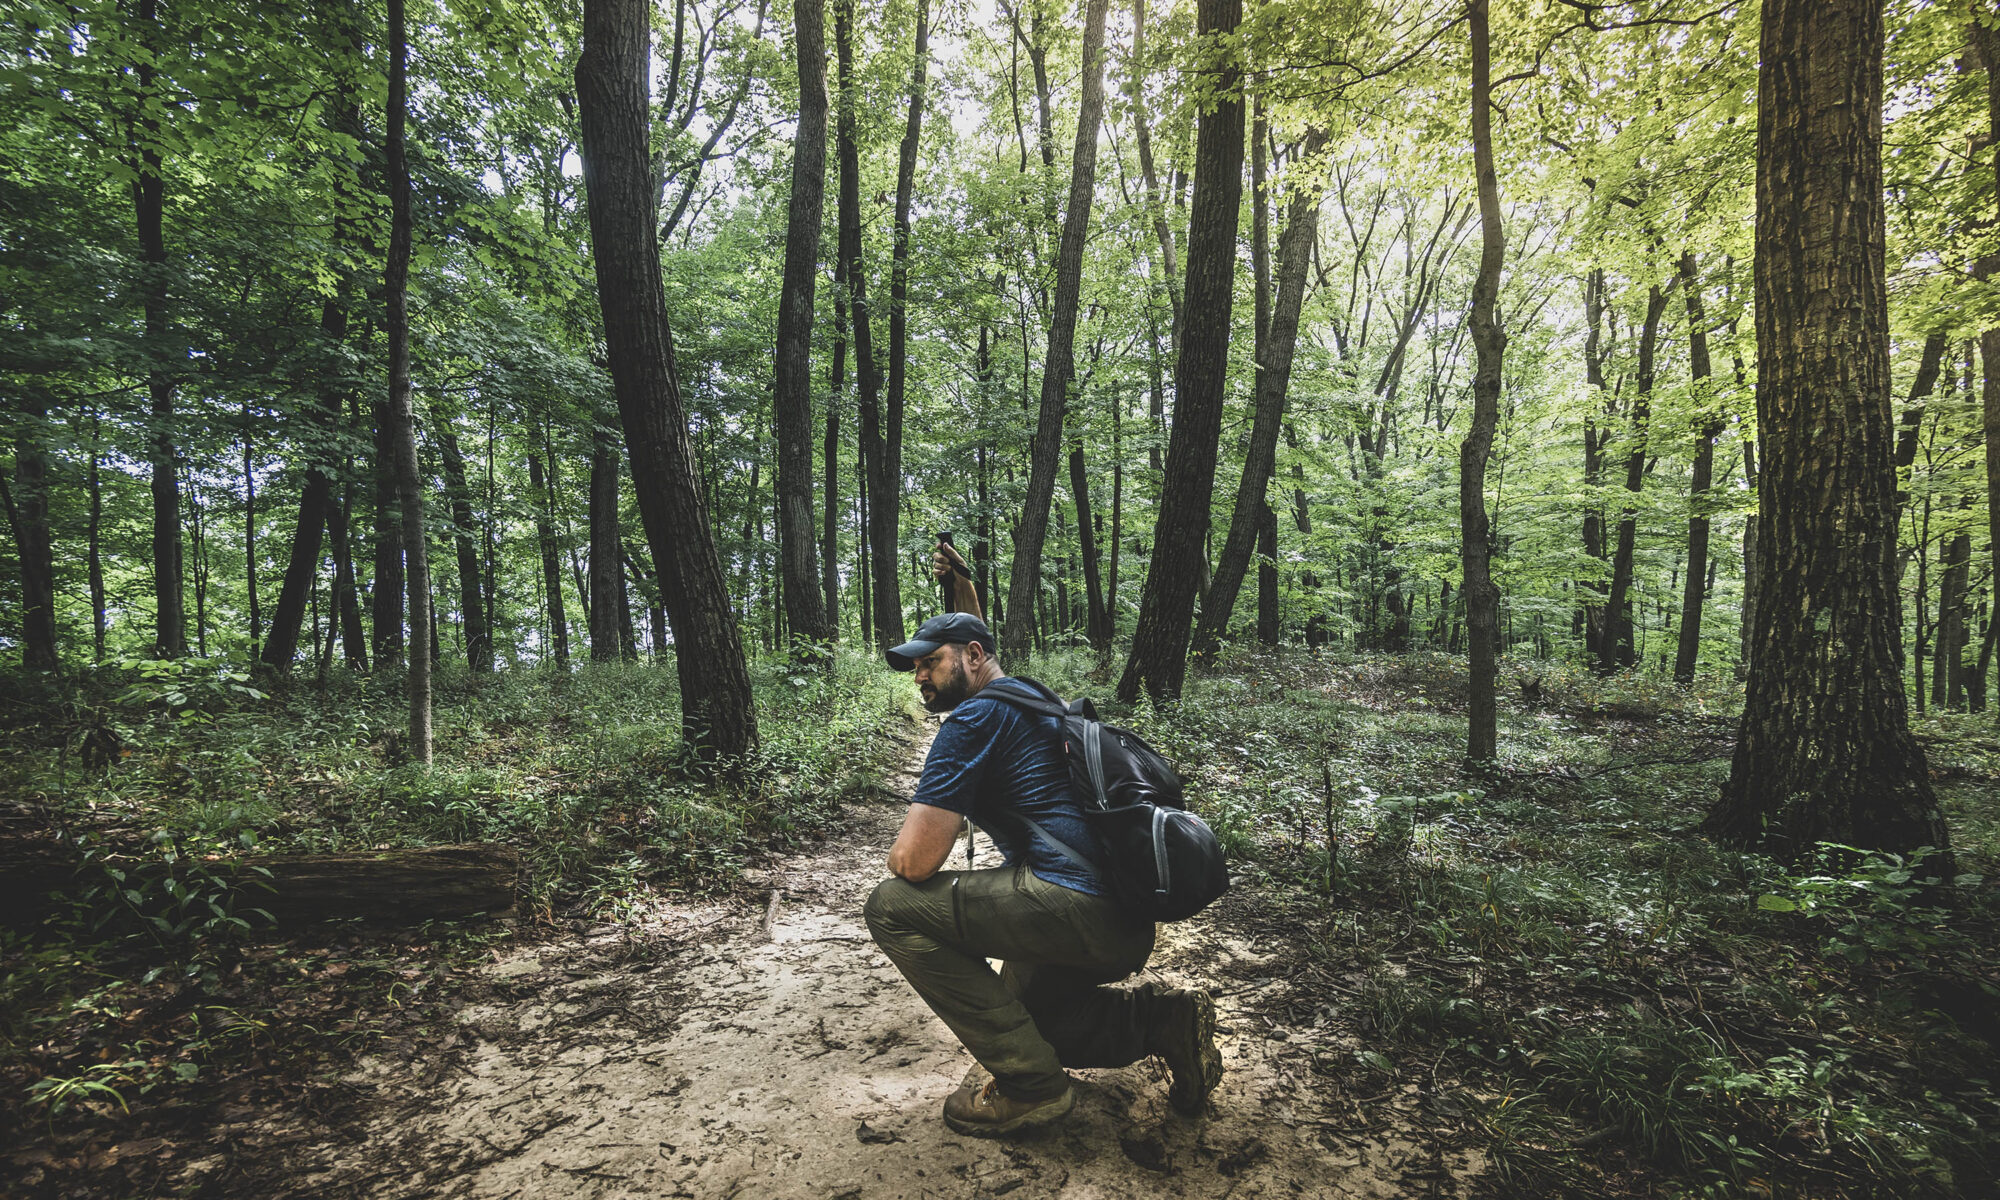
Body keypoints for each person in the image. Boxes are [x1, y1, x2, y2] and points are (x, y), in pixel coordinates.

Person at [862, 611, 1223, 1137]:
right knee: (1035, 1023)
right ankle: (1164, 1022)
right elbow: (976, 632)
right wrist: (962, 588)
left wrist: (913, 836)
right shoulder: (1033, 697)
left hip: (1073, 910)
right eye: (915, 667)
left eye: (931, 662)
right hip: (1125, 918)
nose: (920, 676)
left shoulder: (971, 721)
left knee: (890, 906)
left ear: (974, 656)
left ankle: (1031, 1087)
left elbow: (914, 863)